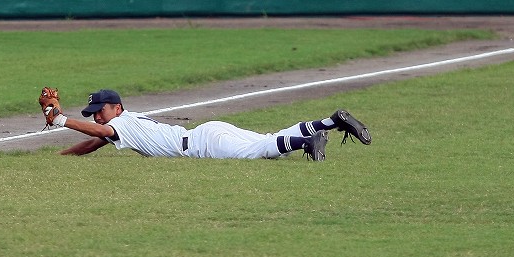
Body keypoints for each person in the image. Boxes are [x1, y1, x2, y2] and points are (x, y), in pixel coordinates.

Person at [53, 89, 371, 161]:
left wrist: (61, 119)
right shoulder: (127, 123)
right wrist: (62, 158)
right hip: (207, 132)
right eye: (93, 112)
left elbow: (98, 132)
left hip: (205, 144)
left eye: (100, 110)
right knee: (268, 139)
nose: (97, 116)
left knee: (260, 150)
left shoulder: (121, 123)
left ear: (117, 108)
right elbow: (93, 142)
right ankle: (330, 122)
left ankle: (307, 142)